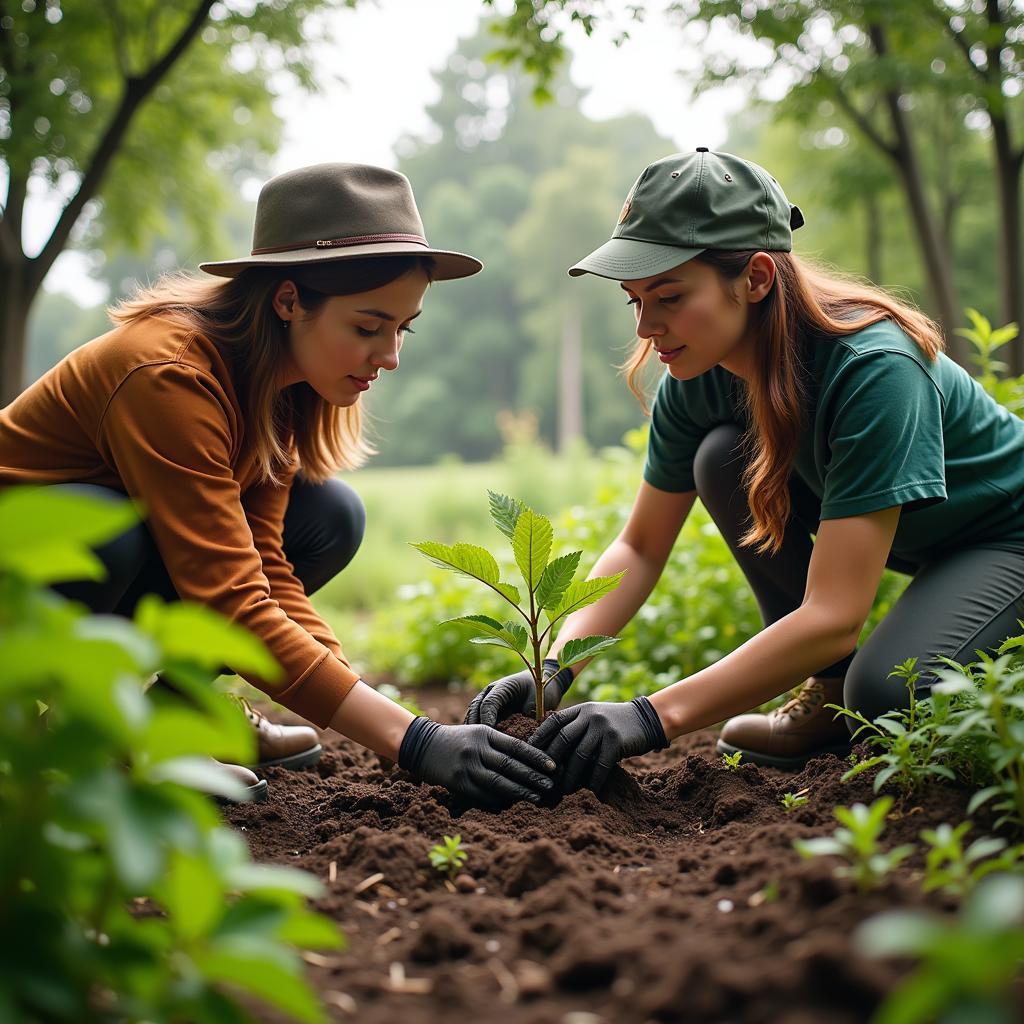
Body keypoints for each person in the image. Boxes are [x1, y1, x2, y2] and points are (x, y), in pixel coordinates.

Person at [467, 147, 1024, 792]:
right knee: (720, 456)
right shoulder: (699, 374)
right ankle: (828, 688)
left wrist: (652, 717)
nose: (649, 327)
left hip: (1002, 535)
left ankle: (867, 682)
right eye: (635, 301)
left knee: (890, 699)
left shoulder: (876, 370)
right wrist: (554, 668)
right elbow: (641, 547)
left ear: (756, 278)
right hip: (915, 536)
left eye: (669, 296)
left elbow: (836, 610)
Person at [0, 162, 555, 806]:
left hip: (104, 569)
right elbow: (229, 600)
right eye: (368, 327)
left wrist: (373, 711)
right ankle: (81, 741)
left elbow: (265, 563)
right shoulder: (167, 373)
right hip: (23, 580)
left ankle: (164, 722)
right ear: (289, 300)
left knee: (328, 518)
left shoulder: (281, 384)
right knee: (107, 530)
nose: (391, 356)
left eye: (402, 329)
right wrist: (415, 740)